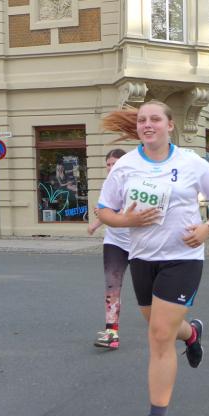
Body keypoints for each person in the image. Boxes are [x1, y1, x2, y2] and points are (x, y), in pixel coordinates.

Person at [97, 100, 209, 416]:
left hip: (183, 258)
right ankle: (192, 333)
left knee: (158, 335)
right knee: (161, 326)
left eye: (155, 119)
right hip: (143, 258)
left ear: (170, 125)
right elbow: (103, 209)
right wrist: (126, 221)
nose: (147, 124)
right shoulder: (125, 166)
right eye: (142, 120)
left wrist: (207, 228)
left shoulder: (190, 162)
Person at [87, 148, 130, 349]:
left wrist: (109, 214)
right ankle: (112, 333)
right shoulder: (108, 185)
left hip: (140, 243)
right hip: (114, 241)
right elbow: (106, 211)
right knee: (112, 286)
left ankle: (165, 325)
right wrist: (95, 224)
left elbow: (120, 212)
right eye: (108, 165)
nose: (112, 168)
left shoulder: (135, 183)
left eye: (115, 164)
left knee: (148, 290)